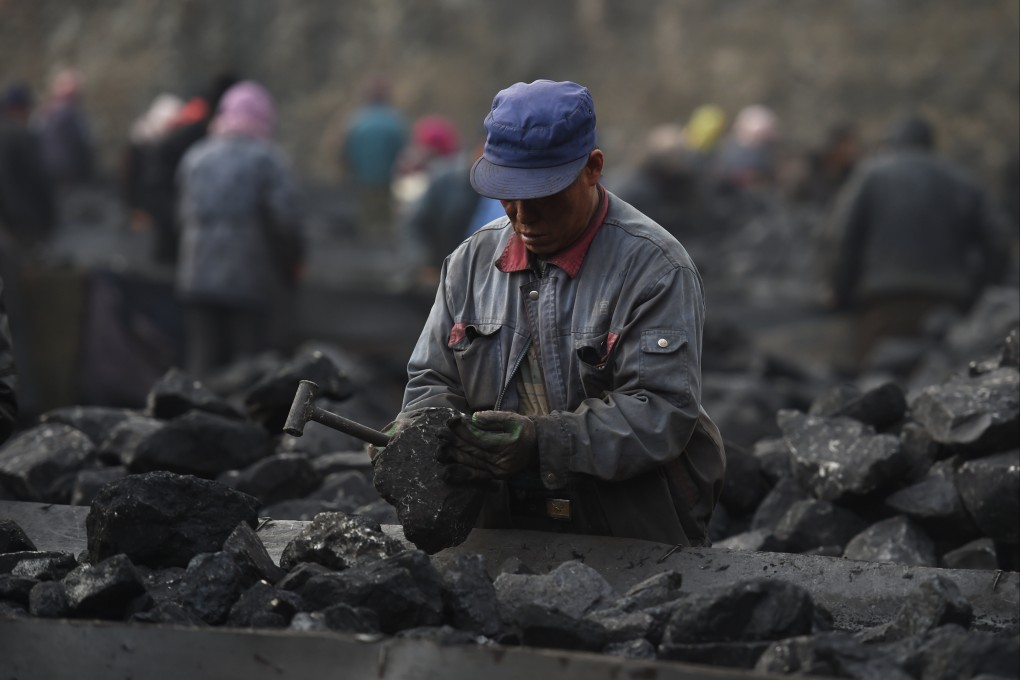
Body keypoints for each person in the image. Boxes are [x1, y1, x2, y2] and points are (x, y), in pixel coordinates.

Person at [390, 80, 725, 547]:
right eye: (509, 194)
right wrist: (426, 433)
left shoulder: (655, 268)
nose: (523, 216)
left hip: (626, 528)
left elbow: (663, 409)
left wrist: (543, 442)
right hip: (501, 523)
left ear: (593, 169)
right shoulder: (470, 263)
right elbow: (432, 381)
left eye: (544, 195)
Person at [825, 115, 1011, 367]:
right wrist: (981, 293)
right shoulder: (962, 180)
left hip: (882, 306)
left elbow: (841, 238)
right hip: (947, 304)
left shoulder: (869, 176)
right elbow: (998, 239)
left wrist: (841, 293)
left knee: (876, 390)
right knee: (943, 385)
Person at [175, 80, 305, 379]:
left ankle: (191, 423)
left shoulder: (196, 156)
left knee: (202, 363)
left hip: (196, 274)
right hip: (248, 276)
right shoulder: (267, 158)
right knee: (248, 370)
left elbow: (180, 216)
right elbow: (286, 220)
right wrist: (292, 264)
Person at [340, 76, 408, 241]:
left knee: (367, 223)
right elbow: (403, 150)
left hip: (363, 181)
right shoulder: (395, 121)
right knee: (388, 224)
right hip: (389, 181)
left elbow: (346, 152)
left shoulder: (355, 121)